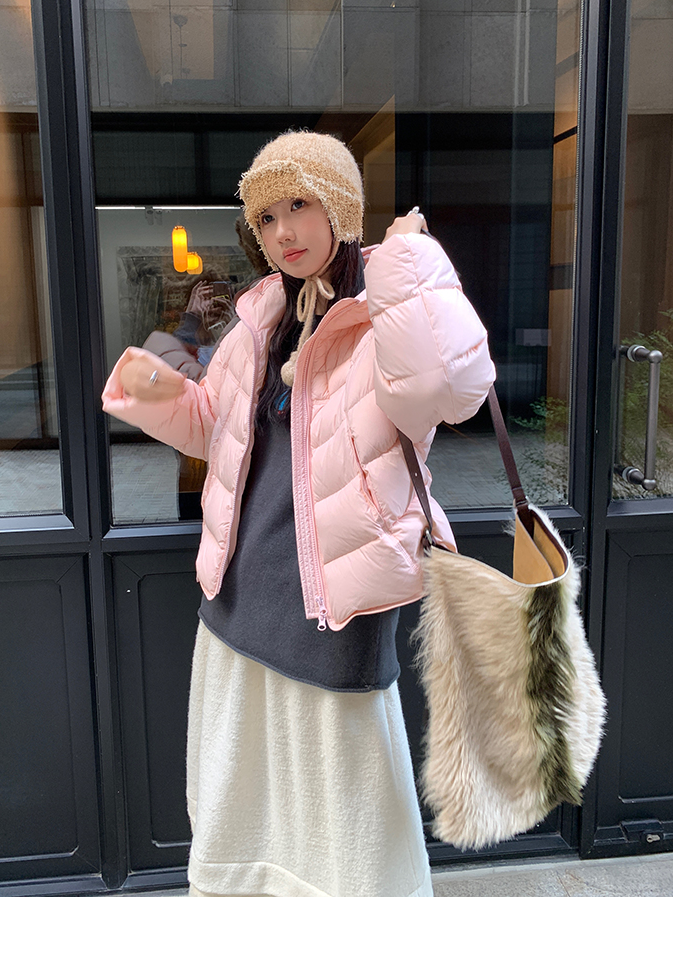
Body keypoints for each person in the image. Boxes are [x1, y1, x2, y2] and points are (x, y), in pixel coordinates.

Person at [101, 130, 495, 897]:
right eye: (267, 217)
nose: (283, 231)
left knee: (348, 809)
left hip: (335, 599)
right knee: (246, 790)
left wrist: (408, 262)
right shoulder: (262, 316)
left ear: (339, 207)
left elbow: (446, 389)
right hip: (243, 587)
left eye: (299, 206)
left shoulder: (384, 312)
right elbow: (218, 431)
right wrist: (160, 391)